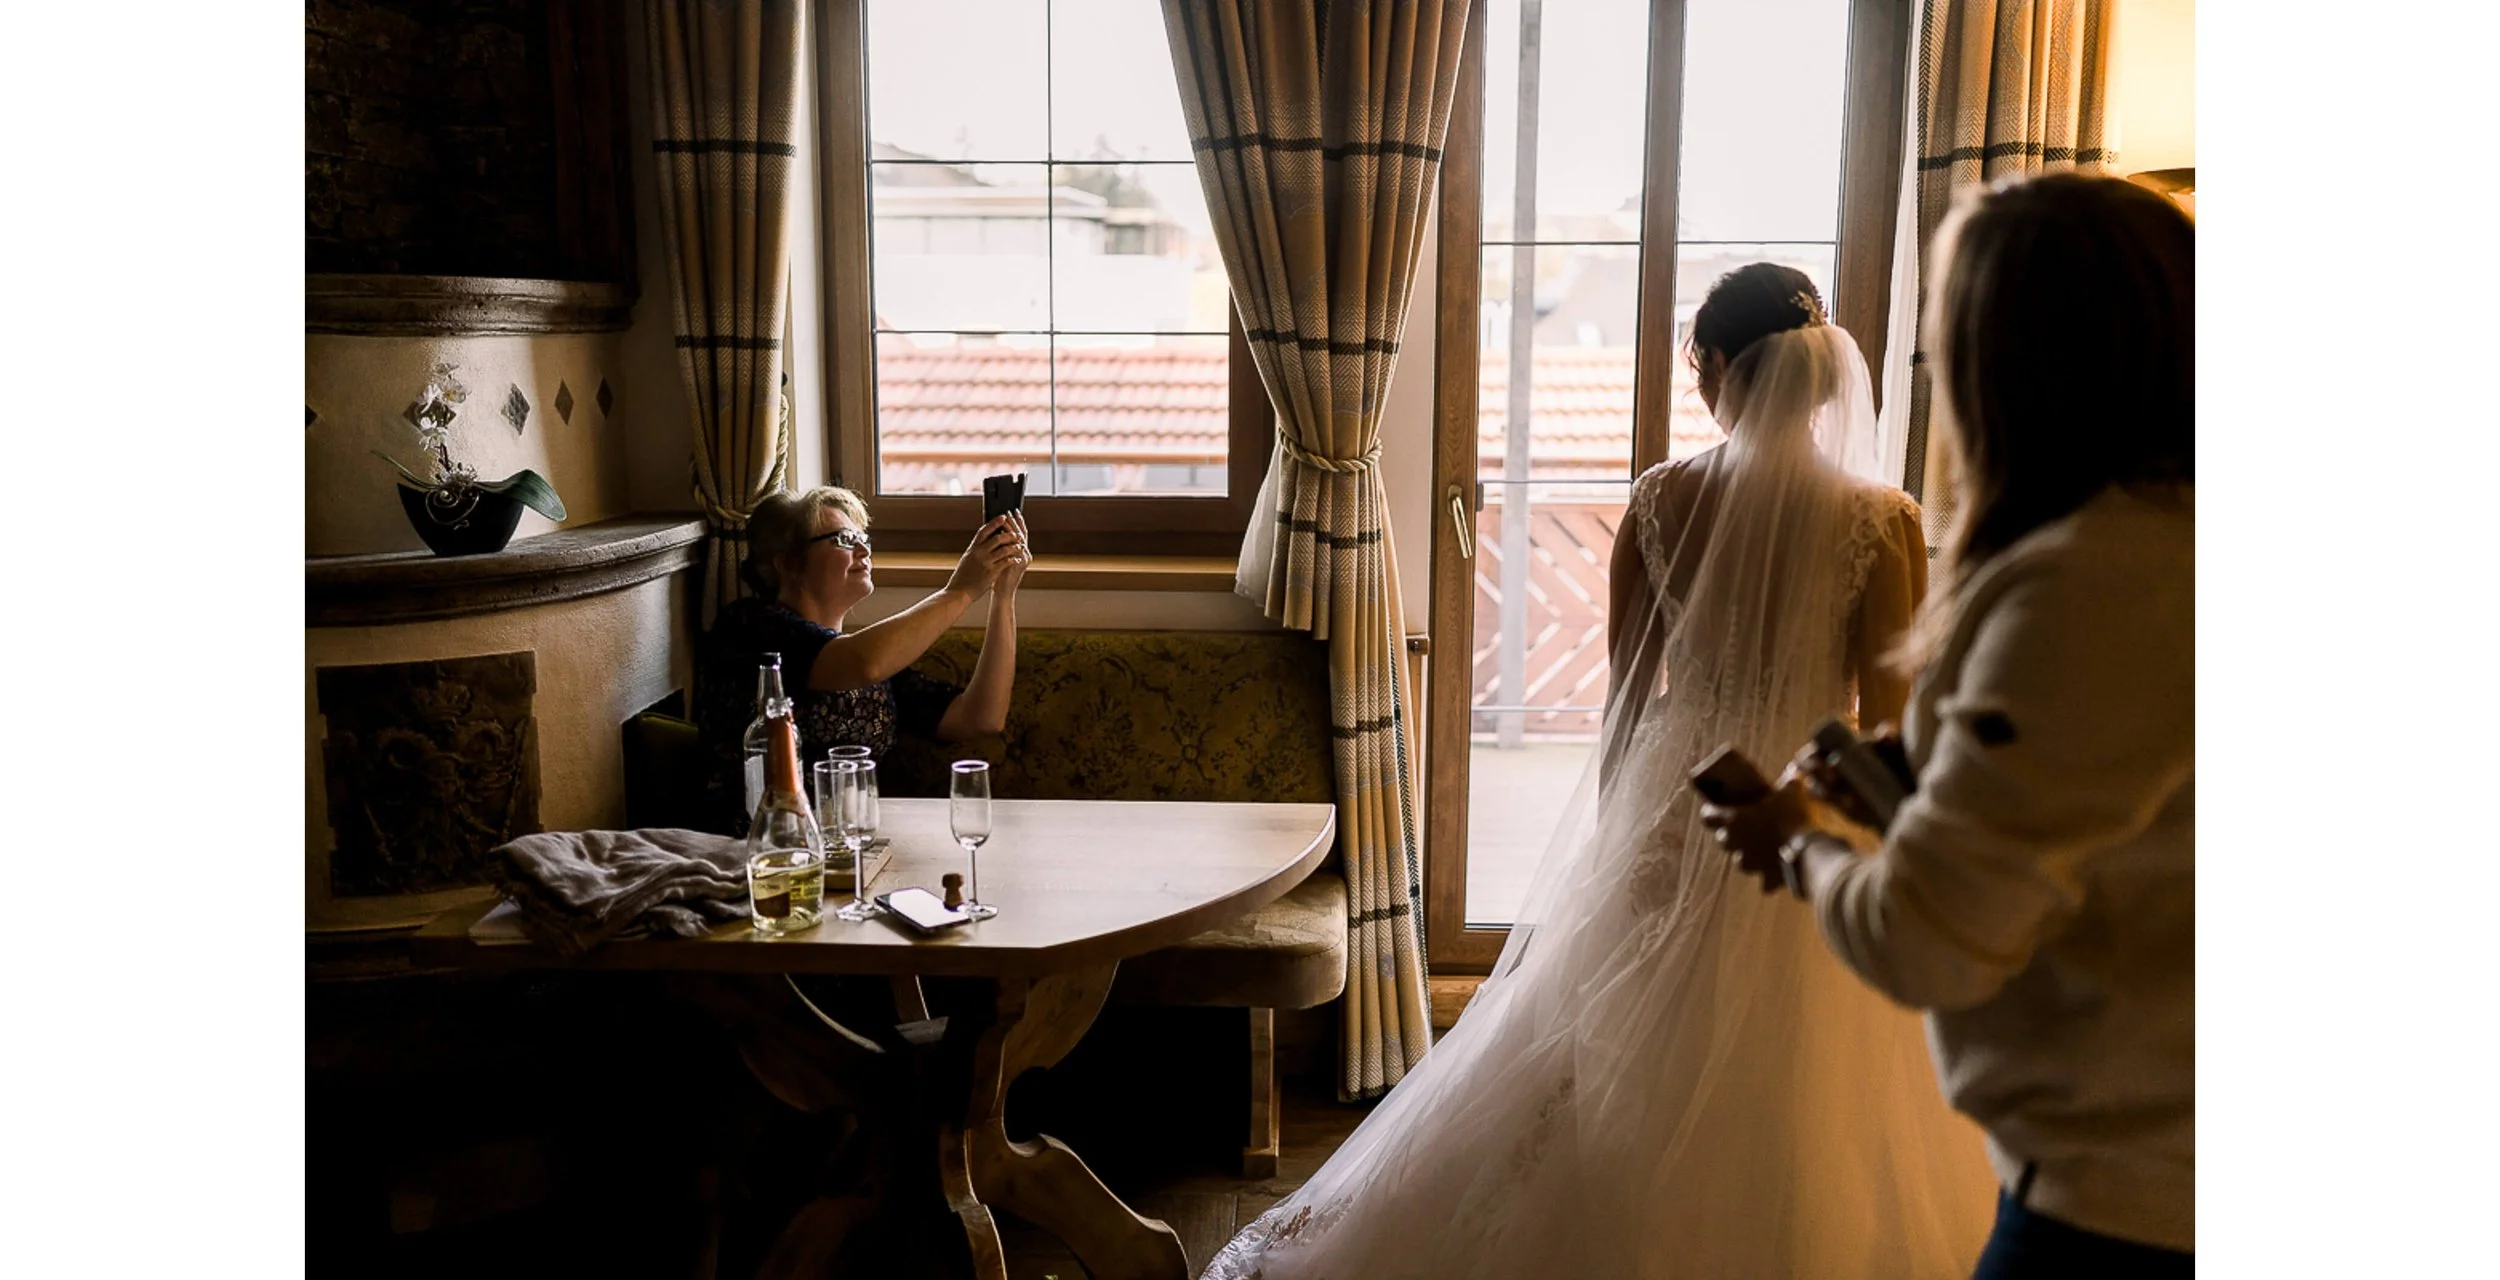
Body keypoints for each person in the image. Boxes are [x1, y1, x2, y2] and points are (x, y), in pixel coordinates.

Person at [1202, 265, 1996, 1279]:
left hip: (1677, 793)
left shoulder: (1661, 496)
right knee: (1812, 1074)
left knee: (1603, 1037)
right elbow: (1884, 726)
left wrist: (1618, 828)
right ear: (1822, 380)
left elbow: (1625, 697)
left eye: (1697, 362)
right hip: (1809, 812)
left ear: (1713, 368)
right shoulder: (1881, 520)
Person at [1703, 172, 2195, 1277]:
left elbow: (1922, 936)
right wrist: (1925, 762)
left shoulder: (2085, 583)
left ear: (2014, 368)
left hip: (2124, 1202)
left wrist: (1794, 842)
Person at [696, 485, 1029, 833]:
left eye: (863, 539)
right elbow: (860, 663)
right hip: (755, 847)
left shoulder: (868, 657)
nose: (862, 549)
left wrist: (1002, 595)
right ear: (789, 564)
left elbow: (980, 718)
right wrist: (960, 591)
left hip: (847, 846)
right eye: (842, 539)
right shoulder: (749, 626)